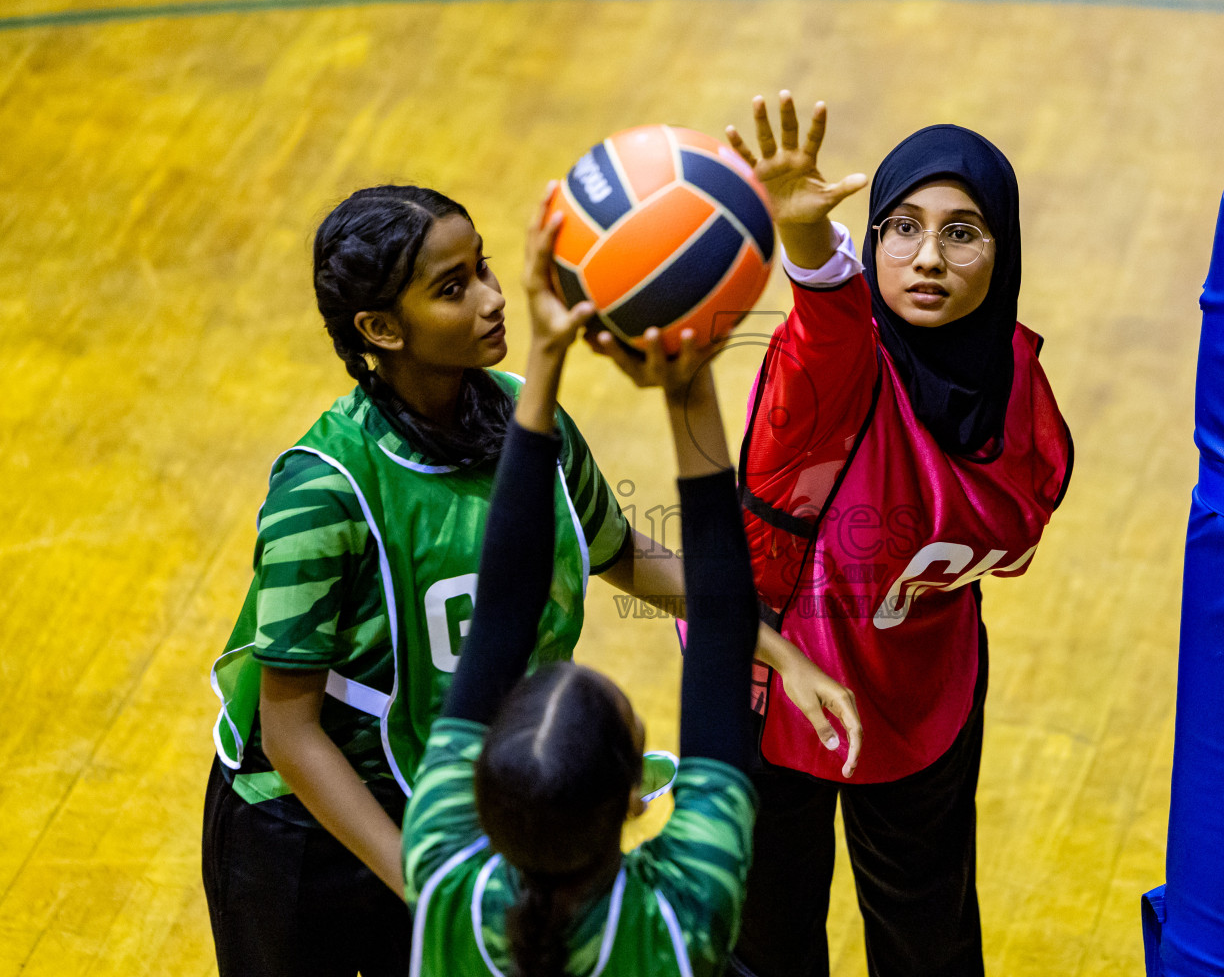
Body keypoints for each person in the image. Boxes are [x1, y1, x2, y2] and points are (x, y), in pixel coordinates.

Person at [202, 184, 683, 977]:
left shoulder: (534, 425)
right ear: (382, 329)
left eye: (484, 268)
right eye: (454, 288)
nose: (495, 300)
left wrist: (762, 627)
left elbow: (615, 546)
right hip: (302, 832)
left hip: (443, 800)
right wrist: (427, 887)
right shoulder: (321, 489)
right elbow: (290, 734)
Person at [721, 93, 1074, 976]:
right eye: (902, 227)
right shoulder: (835, 364)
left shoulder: (1023, 396)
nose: (927, 258)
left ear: (1006, 252)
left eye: (963, 232)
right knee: (768, 941)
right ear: (871, 242)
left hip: (924, 681)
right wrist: (806, 239)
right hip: (766, 680)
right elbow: (826, 317)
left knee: (929, 938)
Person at [402, 193, 758, 977]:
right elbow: (726, 627)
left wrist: (544, 362)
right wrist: (686, 386)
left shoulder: (442, 879)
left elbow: (501, 611)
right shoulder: (680, 919)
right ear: (637, 800)